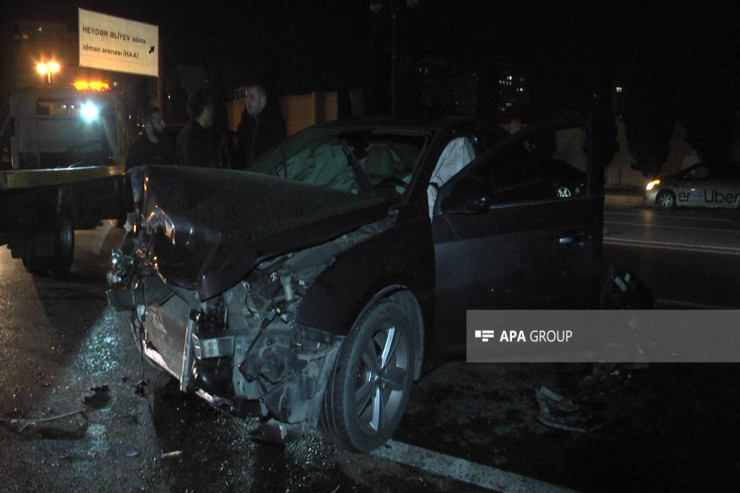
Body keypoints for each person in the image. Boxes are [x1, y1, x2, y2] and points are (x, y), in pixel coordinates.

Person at [236, 83, 286, 169]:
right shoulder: (248, 125)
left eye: (251, 97)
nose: (247, 101)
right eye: (246, 97)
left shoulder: (273, 125)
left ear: (263, 100)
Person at [176, 89, 219, 167]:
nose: (212, 114)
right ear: (206, 110)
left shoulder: (184, 134)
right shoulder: (199, 137)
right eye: (211, 108)